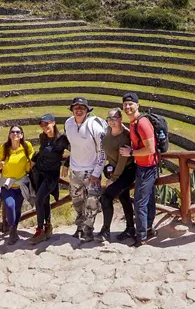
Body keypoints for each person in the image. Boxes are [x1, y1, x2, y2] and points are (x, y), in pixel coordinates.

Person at [64, 97, 106, 242]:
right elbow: (73, 146)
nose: (79, 110)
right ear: (72, 110)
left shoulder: (95, 126)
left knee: (92, 202)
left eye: (82, 107)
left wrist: (97, 172)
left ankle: (88, 230)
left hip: (91, 170)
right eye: (76, 107)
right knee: (77, 201)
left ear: (87, 110)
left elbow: (102, 151)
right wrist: (67, 164)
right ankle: (80, 227)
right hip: (75, 170)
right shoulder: (68, 123)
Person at [120, 92, 159, 247]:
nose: (127, 107)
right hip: (142, 166)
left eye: (131, 104)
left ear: (138, 105)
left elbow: (150, 149)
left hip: (148, 168)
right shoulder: (134, 123)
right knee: (148, 200)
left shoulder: (142, 123)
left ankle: (141, 237)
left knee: (140, 203)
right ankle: (148, 229)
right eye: (125, 104)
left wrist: (131, 153)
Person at [97, 108, 136, 243]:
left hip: (126, 171)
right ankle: (130, 229)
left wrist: (113, 179)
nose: (112, 121)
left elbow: (122, 161)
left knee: (106, 197)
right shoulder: (108, 131)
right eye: (109, 118)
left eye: (115, 118)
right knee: (124, 199)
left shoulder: (124, 138)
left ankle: (105, 231)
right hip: (115, 170)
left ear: (120, 119)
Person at [29, 114, 69, 244]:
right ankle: (48, 226)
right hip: (39, 173)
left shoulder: (62, 139)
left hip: (51, 175)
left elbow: (75, 151)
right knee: (44, 200)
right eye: (42, 124)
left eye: (46, 124)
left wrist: (66, 165)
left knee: (39, 199)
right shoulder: (43, 137)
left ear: (53, 123)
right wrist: (33, 160)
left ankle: (39, 230)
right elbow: (41, 152)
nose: (44, 127)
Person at [0, 125, 34, 246]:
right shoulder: (4, 148)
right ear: (9, 135)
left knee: (17, 209)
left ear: (21, 135)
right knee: (10, 205)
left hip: (21, 184)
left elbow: (31, 159)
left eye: (18, 132)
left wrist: (31, 164)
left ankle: (13, 231)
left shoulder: (27, 146)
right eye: (12, 132)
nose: (15, 133)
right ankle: (12, 229)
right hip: (7, 185)